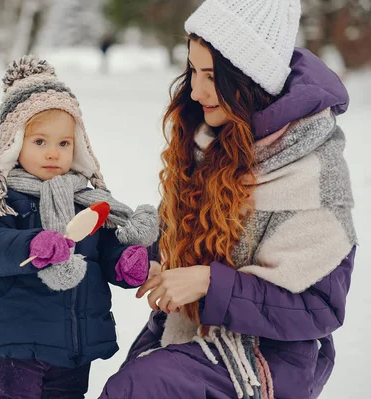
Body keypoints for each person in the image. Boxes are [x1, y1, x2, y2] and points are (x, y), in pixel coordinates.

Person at [99, 1, 357, 398]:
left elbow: (320, 306)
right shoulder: (211, 139)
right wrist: (144, 255)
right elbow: (181, 236)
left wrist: (208, 282)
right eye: (192, 71)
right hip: (192, 336)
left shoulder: (314, 172)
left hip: (267, 359)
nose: (196, 91)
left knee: (142, 386)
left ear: (249, 78)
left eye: (212, 75)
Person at [0, 55, 159, 398]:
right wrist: (32, 244)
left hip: (72, 345)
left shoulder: (85, 199)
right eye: (39, 141)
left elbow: (102, 246)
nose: (53, 153)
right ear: (15, 143)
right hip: (18, 342)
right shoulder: (1, 197)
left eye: (64, 143)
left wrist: (123, 262)